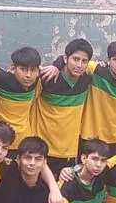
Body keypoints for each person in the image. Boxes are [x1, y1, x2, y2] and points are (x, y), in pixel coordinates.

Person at [32, 39, 94, 176]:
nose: (79, 65)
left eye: (84, 61)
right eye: (75, 59)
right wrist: (56, 65)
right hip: (42, 148)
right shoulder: (48, 78)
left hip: (69, 152)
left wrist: (57, 63)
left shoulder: (87, 78)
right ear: (66, 59)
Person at [0, 47, 42, 156]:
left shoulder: (37, 79)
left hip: (24, 142)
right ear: (12, 68)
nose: (28, 75)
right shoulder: (1, 78)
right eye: (23, 69)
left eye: (33, 70)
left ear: (38, 71)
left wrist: (57, 65)